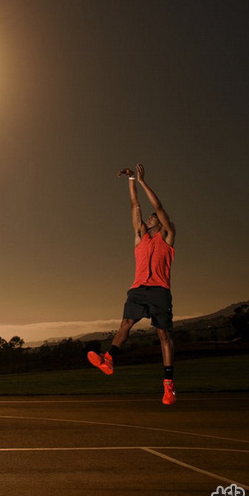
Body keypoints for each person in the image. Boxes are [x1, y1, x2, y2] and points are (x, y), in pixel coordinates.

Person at [87, 163, 177, 405]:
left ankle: (169, 387)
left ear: (161, 223)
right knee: (126, 323)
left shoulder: (167, 237)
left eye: (153, 218)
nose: (149, 218)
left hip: (159, 291)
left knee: (163, 336)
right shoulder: (140, 238)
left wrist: (143, 180)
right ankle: (108, 359)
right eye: (148, 218)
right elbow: (135, 206)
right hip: (138, 290)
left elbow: (158, 206)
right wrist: (130, 181)